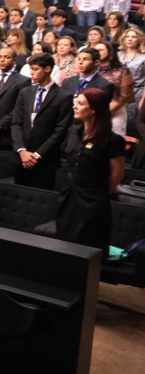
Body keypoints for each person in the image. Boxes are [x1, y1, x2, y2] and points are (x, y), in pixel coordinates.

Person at [42, 88, 124, 252]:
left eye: (80, 104)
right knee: (63, 242)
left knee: (88, 245)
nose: (75, 107)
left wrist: (100, 192)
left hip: (93, 197)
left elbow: (117, 175)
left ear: (93, 109)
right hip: (70, 192)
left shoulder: (112, 140)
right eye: (75, 102)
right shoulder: (73, 131)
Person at [11, 52, 74, 189]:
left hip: (45, 159)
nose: (31, 73)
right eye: (30, 69)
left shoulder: (63, 96)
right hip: (22, 156)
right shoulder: (25, 92)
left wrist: (37, 155)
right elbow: (16, 123)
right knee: (19, 196)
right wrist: (22, 151)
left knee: (40, 200)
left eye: (35, 69)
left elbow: (61, 130)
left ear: (47, 69)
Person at [0, 47, 31, 148]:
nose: (2, 60)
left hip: (8, 131)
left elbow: (21, 107)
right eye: (0, 57)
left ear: (14, 60)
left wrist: (2, 123)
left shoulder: (23, 81)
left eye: (7, 57)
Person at [95, 41, 133, 136]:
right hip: (92, 114)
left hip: (114, 113)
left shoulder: (123, 70)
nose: (97, 52)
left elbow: (124, 98)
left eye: (101, 49)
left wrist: (102, 113)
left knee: (113, 145)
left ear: (110, 51)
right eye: (95, 50)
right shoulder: (91, 69)